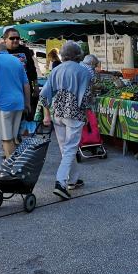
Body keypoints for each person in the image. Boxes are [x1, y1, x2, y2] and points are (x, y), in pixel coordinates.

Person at [39, 42, 92, 200]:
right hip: (74, 113)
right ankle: (60, 182)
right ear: (78, 55)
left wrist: (46, 114)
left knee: (65, 149)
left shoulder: (56, 70)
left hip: (57, 112)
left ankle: (73, 179)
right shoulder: (84, 71)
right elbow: (87, 97)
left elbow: (43, 94)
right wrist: (87, 115)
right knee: (69, 149)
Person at [0, 39, 31, 158]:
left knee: (6, 139)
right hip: (18, 102)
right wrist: (27, 103)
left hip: (2, 103)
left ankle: (11, 169)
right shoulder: (17, 60)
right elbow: (26, 84)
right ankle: (13, 166)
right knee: (13, 137)